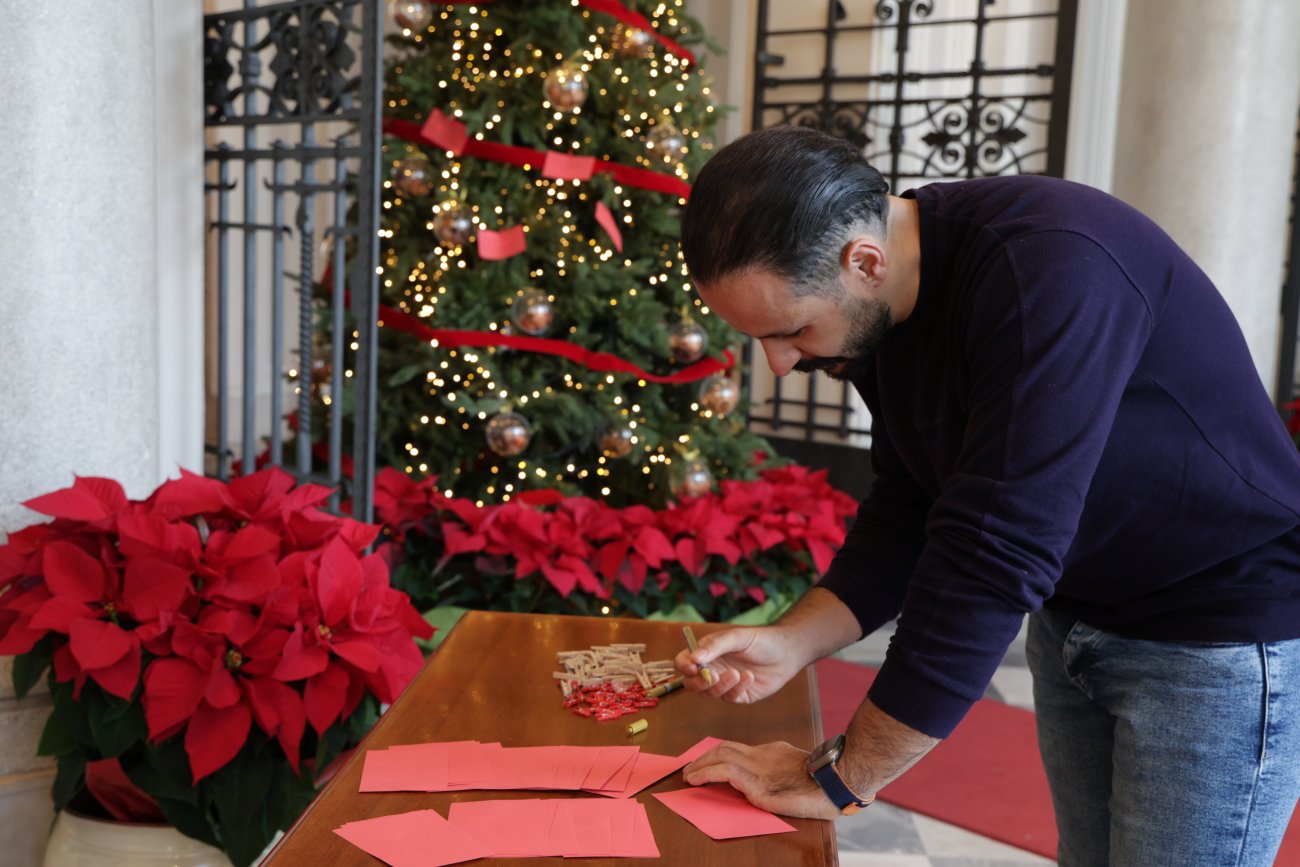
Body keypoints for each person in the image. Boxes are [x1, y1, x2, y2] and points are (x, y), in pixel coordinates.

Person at [672, 125, 1300, 866]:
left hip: (1217, 630)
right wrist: (792, 641)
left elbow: (996, 551)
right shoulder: (880, 308)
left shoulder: (1049, 267)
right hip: (1077, 617)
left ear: (864, 261)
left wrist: (843, 777)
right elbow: (911, 503)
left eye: (792, 330)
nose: (780, 364)